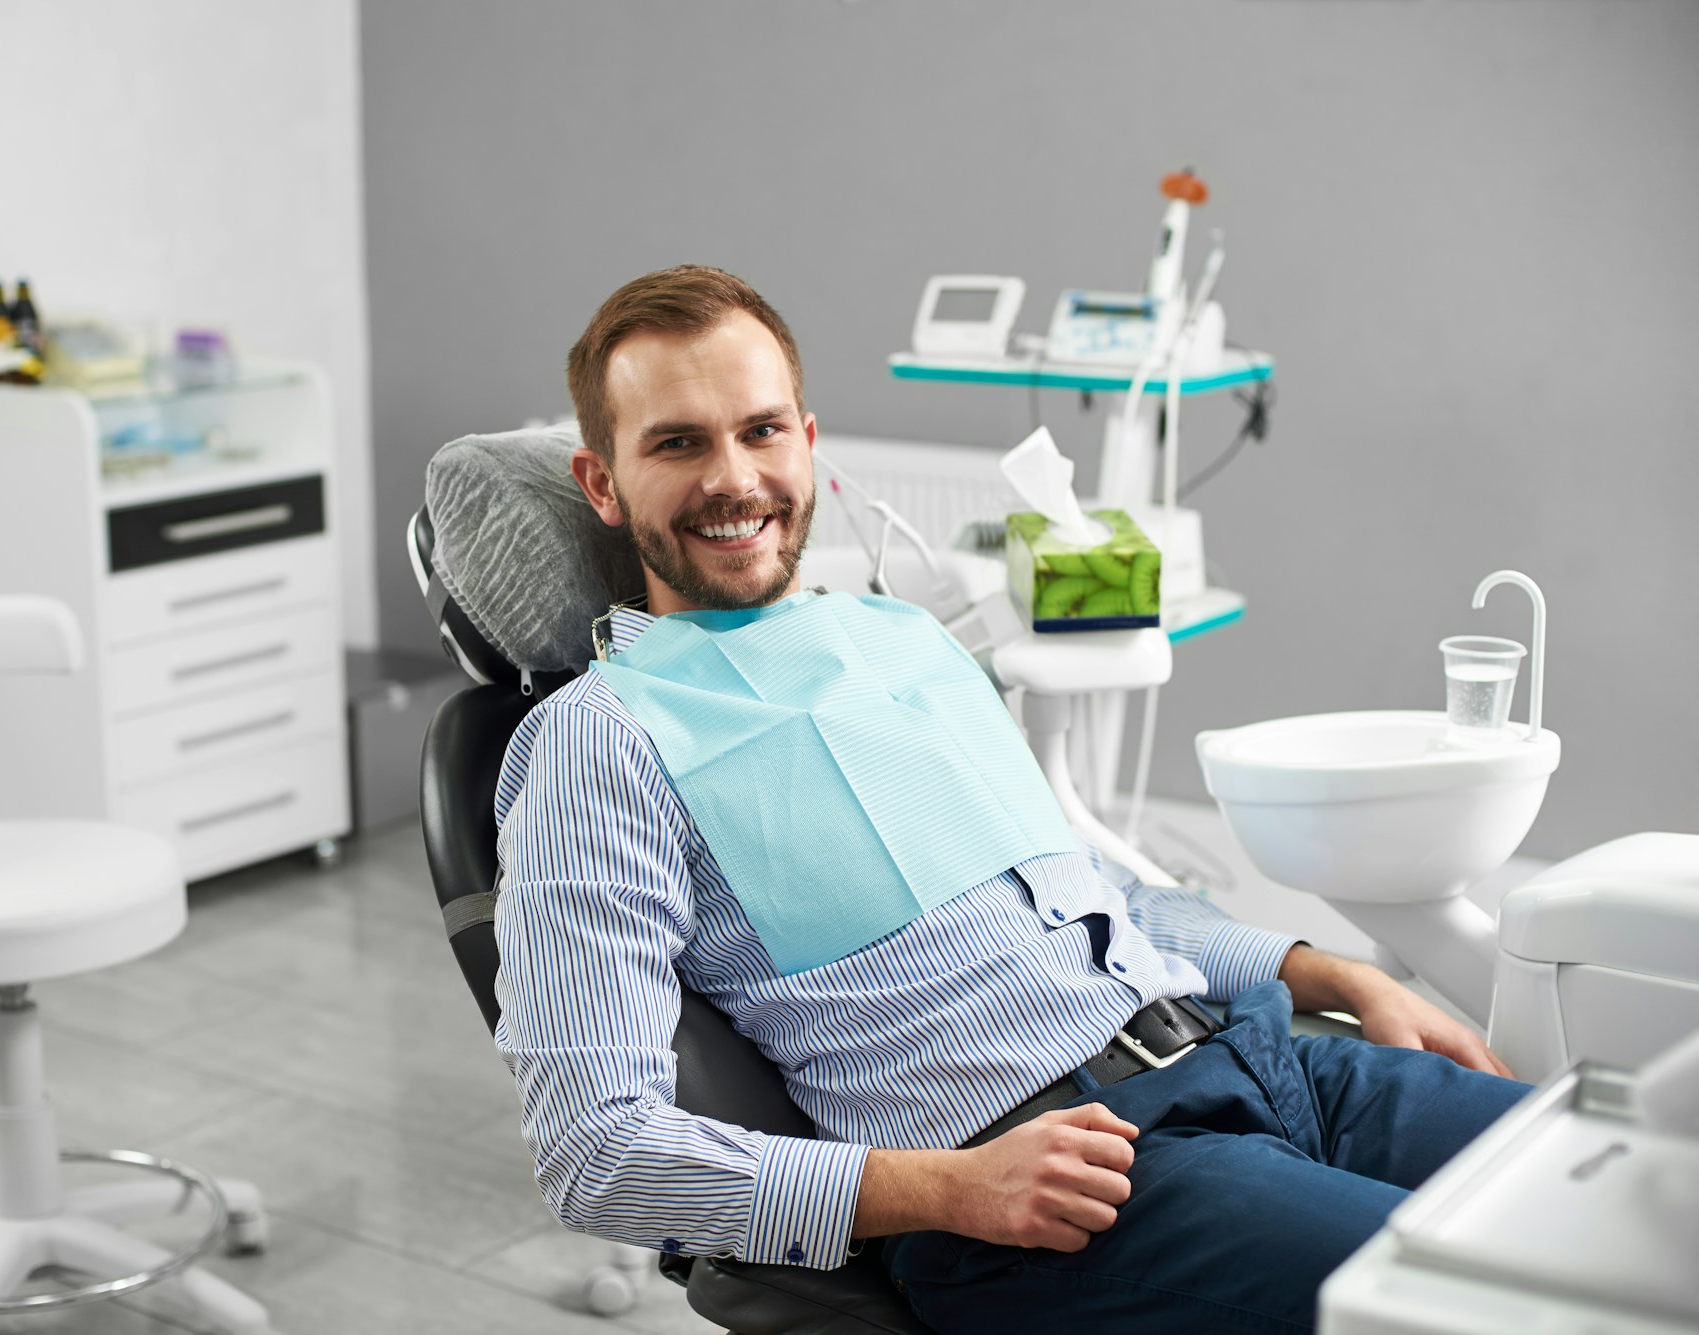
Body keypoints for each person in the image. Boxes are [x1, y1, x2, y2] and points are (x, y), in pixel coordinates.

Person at [492, 264, 1526, 1333]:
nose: (732, 477)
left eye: (759, 431)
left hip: (1258, 1056)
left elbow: (1088, 886)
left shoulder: (900, 642)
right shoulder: (596, 743)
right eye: (677, 443)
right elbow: (595, 1153)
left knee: (1628, 1186)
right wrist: (948, 1189)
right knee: (1496, 1310)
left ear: (806, 439)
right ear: (603, 484)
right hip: (1054, 1189)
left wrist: (1340, 975)